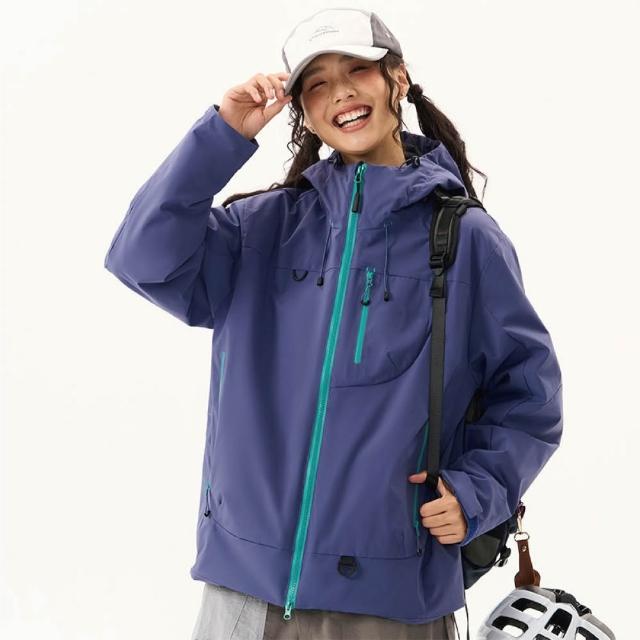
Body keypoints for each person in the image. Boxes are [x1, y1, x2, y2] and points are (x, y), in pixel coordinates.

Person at [103, 8, 563, 640]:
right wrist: (222, 135)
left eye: (357, 71)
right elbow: (141, 257)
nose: (340, 92)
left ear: (397, 79)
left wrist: (476, 493)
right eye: (316, 83)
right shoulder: (261, 228)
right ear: (302, 109)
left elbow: (530, 396)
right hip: (243, 593)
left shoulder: (464, 239)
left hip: (390, 603)